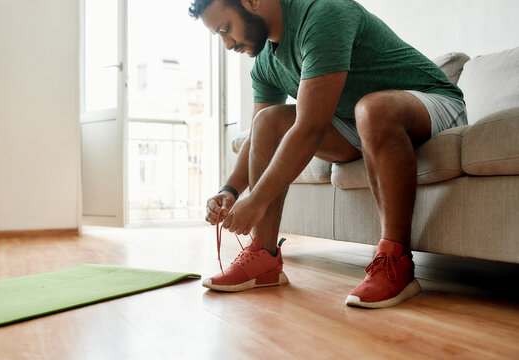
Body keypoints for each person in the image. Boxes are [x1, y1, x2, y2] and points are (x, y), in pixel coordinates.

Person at [188, 0, 467, 308]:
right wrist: (229, 190)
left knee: (372, 109)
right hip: (356, 123)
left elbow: (309, 128)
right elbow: (258, 136)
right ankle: (263, 258)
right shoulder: (266, 62)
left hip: (431, 101)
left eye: (225, 29)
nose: (227, 44)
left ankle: (395, 259)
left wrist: (256, 200)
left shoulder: (323, 14)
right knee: (267, 121)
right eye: (219, 35)